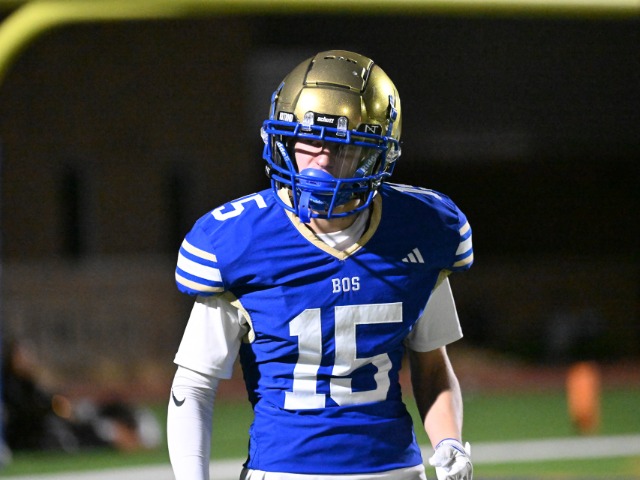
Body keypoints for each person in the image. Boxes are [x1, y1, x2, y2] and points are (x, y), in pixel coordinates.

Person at [167, 50, 474, 480]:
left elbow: (433, 366)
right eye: (309, 141)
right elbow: (194, 385)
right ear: (284, 140)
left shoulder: (420, 230)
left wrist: (448, 442)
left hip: (395, 471)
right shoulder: (240, 240)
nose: (322, 163)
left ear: (376, 154)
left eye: (342, 147)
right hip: (284, 472)